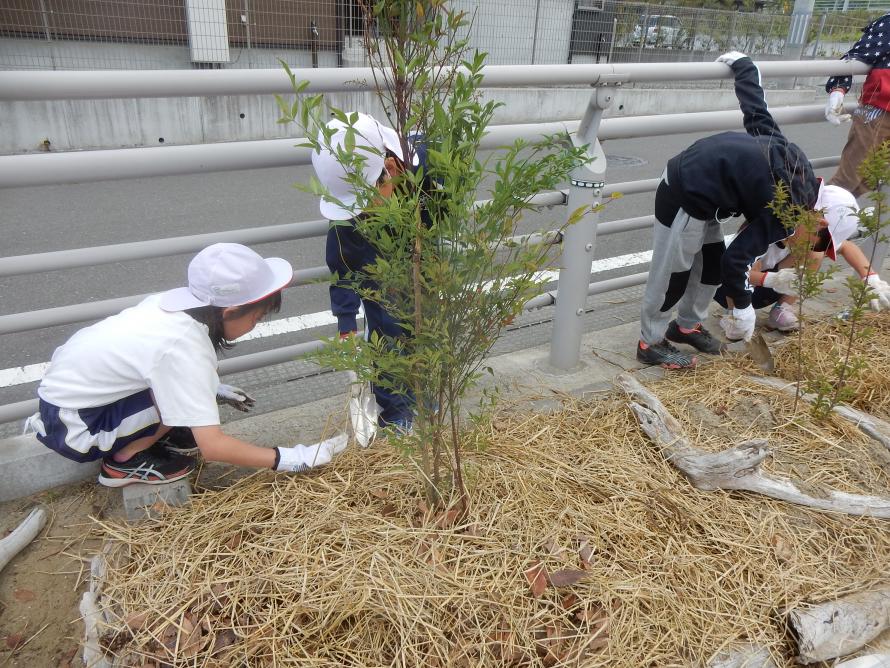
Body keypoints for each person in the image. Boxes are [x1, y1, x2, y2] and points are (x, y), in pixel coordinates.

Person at [24, 243, 347, 487]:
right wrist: (295, 459)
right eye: (257, 316)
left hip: (72, 405)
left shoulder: (172, 308)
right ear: (230, 311)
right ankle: (123, 463)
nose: (257, 324)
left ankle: (151, 435)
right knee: (188, 398)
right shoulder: (182, 344)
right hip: (77, 428)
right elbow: (214, 447)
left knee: (192, 391)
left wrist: (212, 388)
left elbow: (154, 364)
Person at [637, 51, 844, 368]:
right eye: (818, 235)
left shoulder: (800, 171)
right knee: (673, 274)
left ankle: (686, 326)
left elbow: (758, 113)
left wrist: (744, 67)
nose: (810, 243)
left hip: (711, 197)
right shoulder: (783, 211)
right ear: (817, 215)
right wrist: (743, 309)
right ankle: (649, 343)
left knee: (710, 268)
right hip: (683, 191)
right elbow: (739, 261)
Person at [311, 112, 420, 430]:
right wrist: (346, 327)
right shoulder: (347, 220)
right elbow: (342, 270)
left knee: (424, 333)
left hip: (420, 274)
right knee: (386, 339)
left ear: (390, 170)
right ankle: (396, 411)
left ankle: (425, 396)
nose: (361, 213)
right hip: (379, 289)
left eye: (365, 202)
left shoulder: (421, 173)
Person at [714, 184, 890, 331]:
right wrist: (773, 280)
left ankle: (782, 310)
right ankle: (734, 317)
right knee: (757, 264)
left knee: (815, 253)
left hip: (766, 283)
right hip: (726, 284)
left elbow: (848, 247)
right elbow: (737, 270)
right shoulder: (765, 230)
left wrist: (871, 279)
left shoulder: (804, 233)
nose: (819, 245)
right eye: (823, 240)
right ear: (817, 222)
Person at [824, 13, 890, 197]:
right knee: (846, 181)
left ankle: (831, 222)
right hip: (878, 112)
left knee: (869, 180)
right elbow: (855, 56)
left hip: (880, 112)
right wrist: (838, 89)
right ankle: (803, 224)